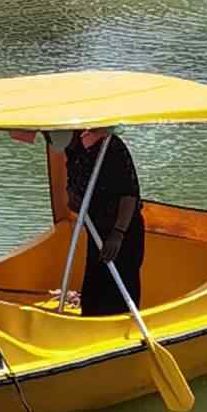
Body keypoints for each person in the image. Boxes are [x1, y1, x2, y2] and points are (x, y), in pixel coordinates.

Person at [62, 126, 145, 318]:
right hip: (96, 227)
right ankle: (90, 324)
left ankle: (124, 330)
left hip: (123, 230)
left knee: (120, 287)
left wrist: (117, 234)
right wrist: (73, 197)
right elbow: (73, 182)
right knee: (93, 288)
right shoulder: (73, 148)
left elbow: (129, 194)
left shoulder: (111, 147)